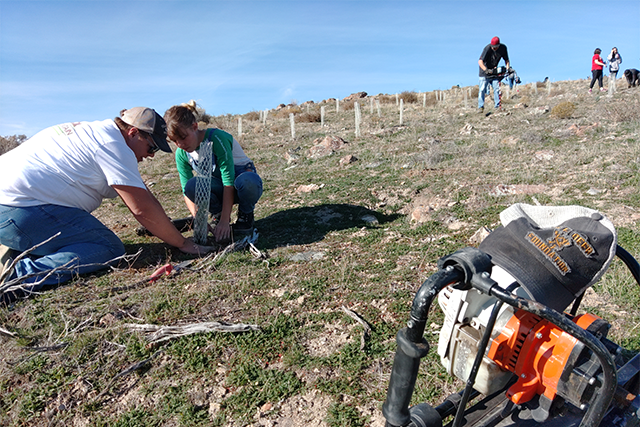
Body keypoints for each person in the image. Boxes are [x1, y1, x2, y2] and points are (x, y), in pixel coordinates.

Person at [0, 107, 212, 301]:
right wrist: (183, 244)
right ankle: (20, 277)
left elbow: (143, 195)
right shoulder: (112, 145)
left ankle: (20, 249)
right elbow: (142, 208)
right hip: (19, 210)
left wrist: (166, 225)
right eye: (151, 147)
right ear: (133, 133)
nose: (149, 155)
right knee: (108, 247)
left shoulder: (95, 132)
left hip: (13, 206)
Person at [164, 101, 263, 243]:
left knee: (248, 181)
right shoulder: (181, 153)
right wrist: (199, 219)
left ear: (194, 127)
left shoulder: (216, 138)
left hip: (238, 182)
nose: (180, 144)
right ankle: (217, 213)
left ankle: (245, 216)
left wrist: (225, 221)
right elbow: (186, 190)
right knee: (192, 186)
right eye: (175, 141)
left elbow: (228, 181)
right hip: (218, 187)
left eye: (183, 137)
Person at [478, 36, 510, 112]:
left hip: (494, 71)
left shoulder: (503, 48)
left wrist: (508, 69)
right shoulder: (487, 48)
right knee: (482, 89)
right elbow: (480, 61)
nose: (493, 48)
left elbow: (507, 60)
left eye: (495, 47)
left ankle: (497, 106)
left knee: (496, 89)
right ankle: (480, 107)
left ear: (498, 45)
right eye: (492, 47)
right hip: (484, 72)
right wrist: (486, 70)